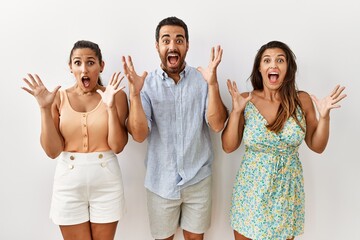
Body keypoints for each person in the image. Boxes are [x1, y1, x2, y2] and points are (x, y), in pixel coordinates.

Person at [221, 40, 346, 240]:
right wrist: (236, 112)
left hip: (287, 191)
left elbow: (317, 146)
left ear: (288, 68)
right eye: (267, 60)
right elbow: (228, 147)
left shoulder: (301, 100)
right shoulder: (245, 99)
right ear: (259, 68)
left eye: (280, 60)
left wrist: (325, 117)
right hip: (251, 190)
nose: (273, 65)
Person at [122, 16, 228, 240]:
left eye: (179, 40)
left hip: (198, 179)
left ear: (187, 45)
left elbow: (218, 125)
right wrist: (134, 94)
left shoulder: (202, 80)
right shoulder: (145, 85)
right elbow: (140, 135)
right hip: (161, 181)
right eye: (166, 40)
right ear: (157, 46)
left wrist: (213, 84)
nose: (172, 45)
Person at [21, 40, 128, 240]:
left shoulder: (117, 95)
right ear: (70, 67)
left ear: (101, 65)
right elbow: (53, 151)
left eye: (90, 62)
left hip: (107, 180)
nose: (84, 69)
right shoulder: (58, 98)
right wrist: (44, 108)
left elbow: (118, 146)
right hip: (68, 181)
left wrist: (111, 107)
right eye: (77, 63)